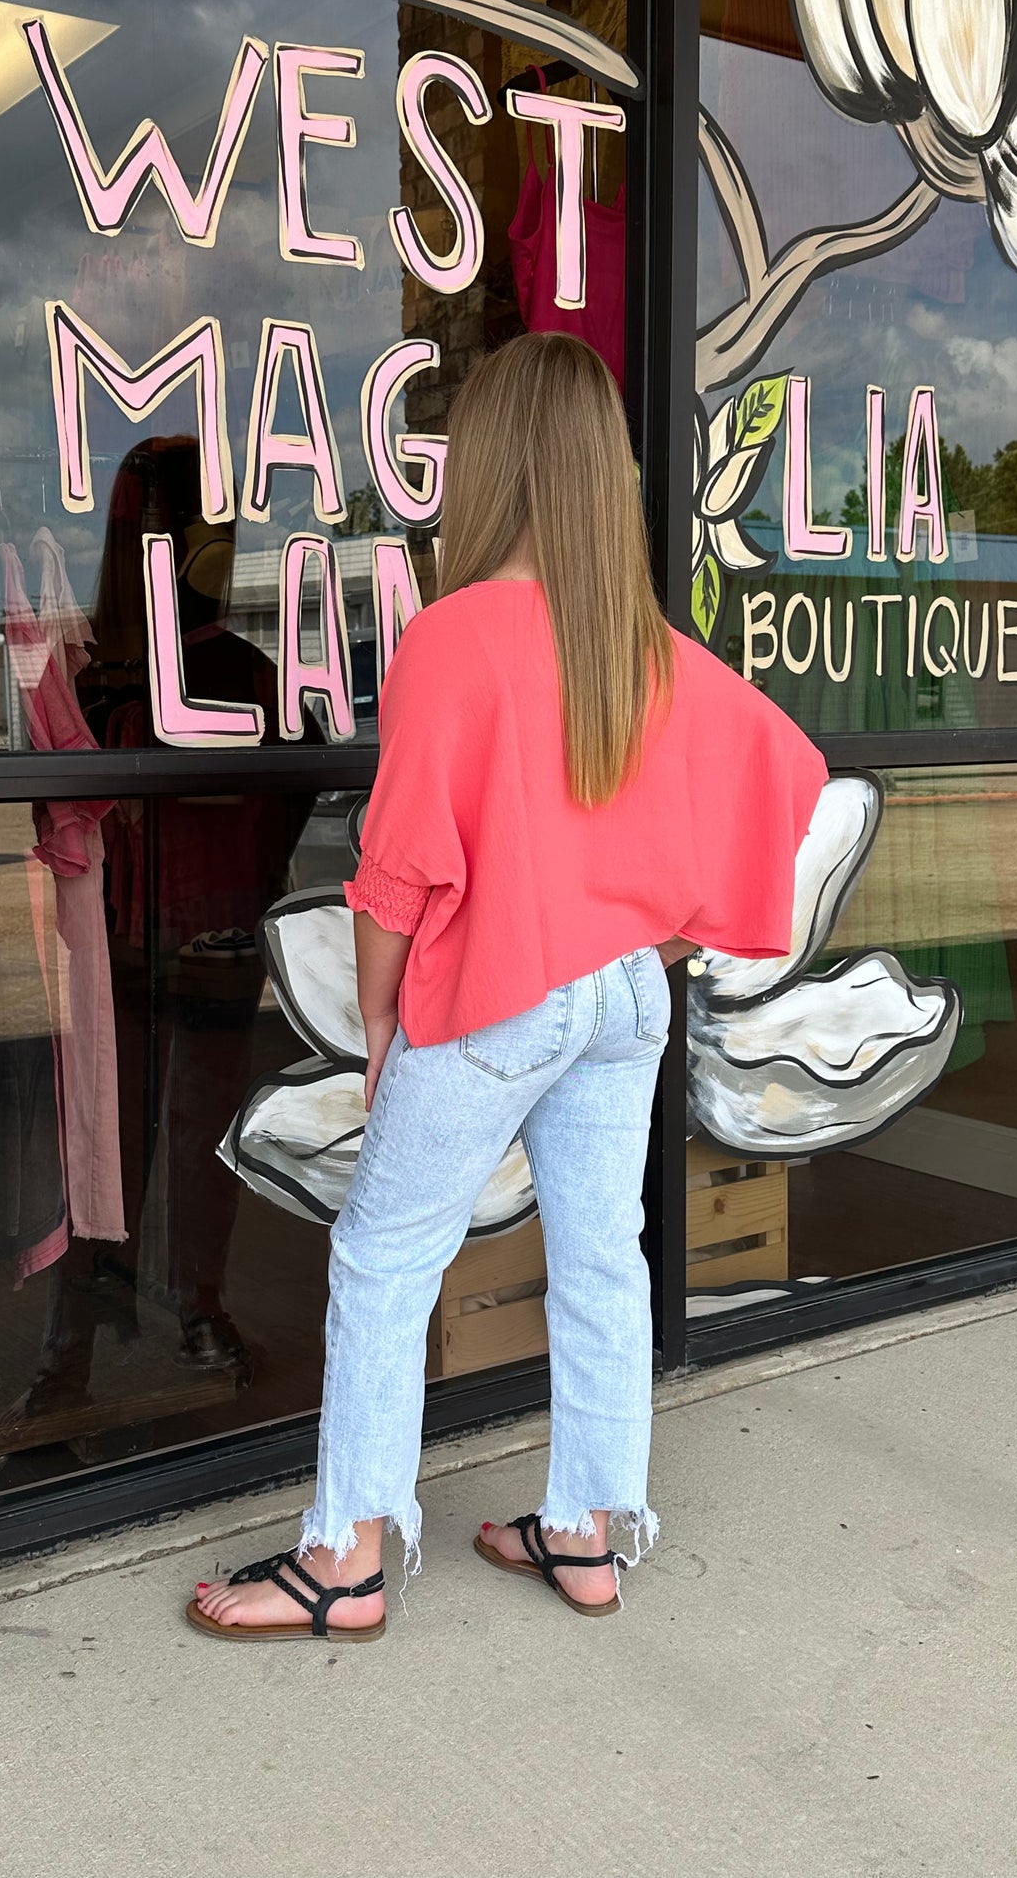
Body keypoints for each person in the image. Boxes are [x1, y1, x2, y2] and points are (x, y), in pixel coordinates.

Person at [191, 333, 826, 1641]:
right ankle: (585, 1529)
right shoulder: (636, 645)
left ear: (487, 464)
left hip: (497, 1001)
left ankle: (347, 1562)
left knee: (381, 1259)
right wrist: (675, 928)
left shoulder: (454, 636)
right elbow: (785, 769)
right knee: (602, 1256)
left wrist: (378, 1015)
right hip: (621, 1001)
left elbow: (402, 867)